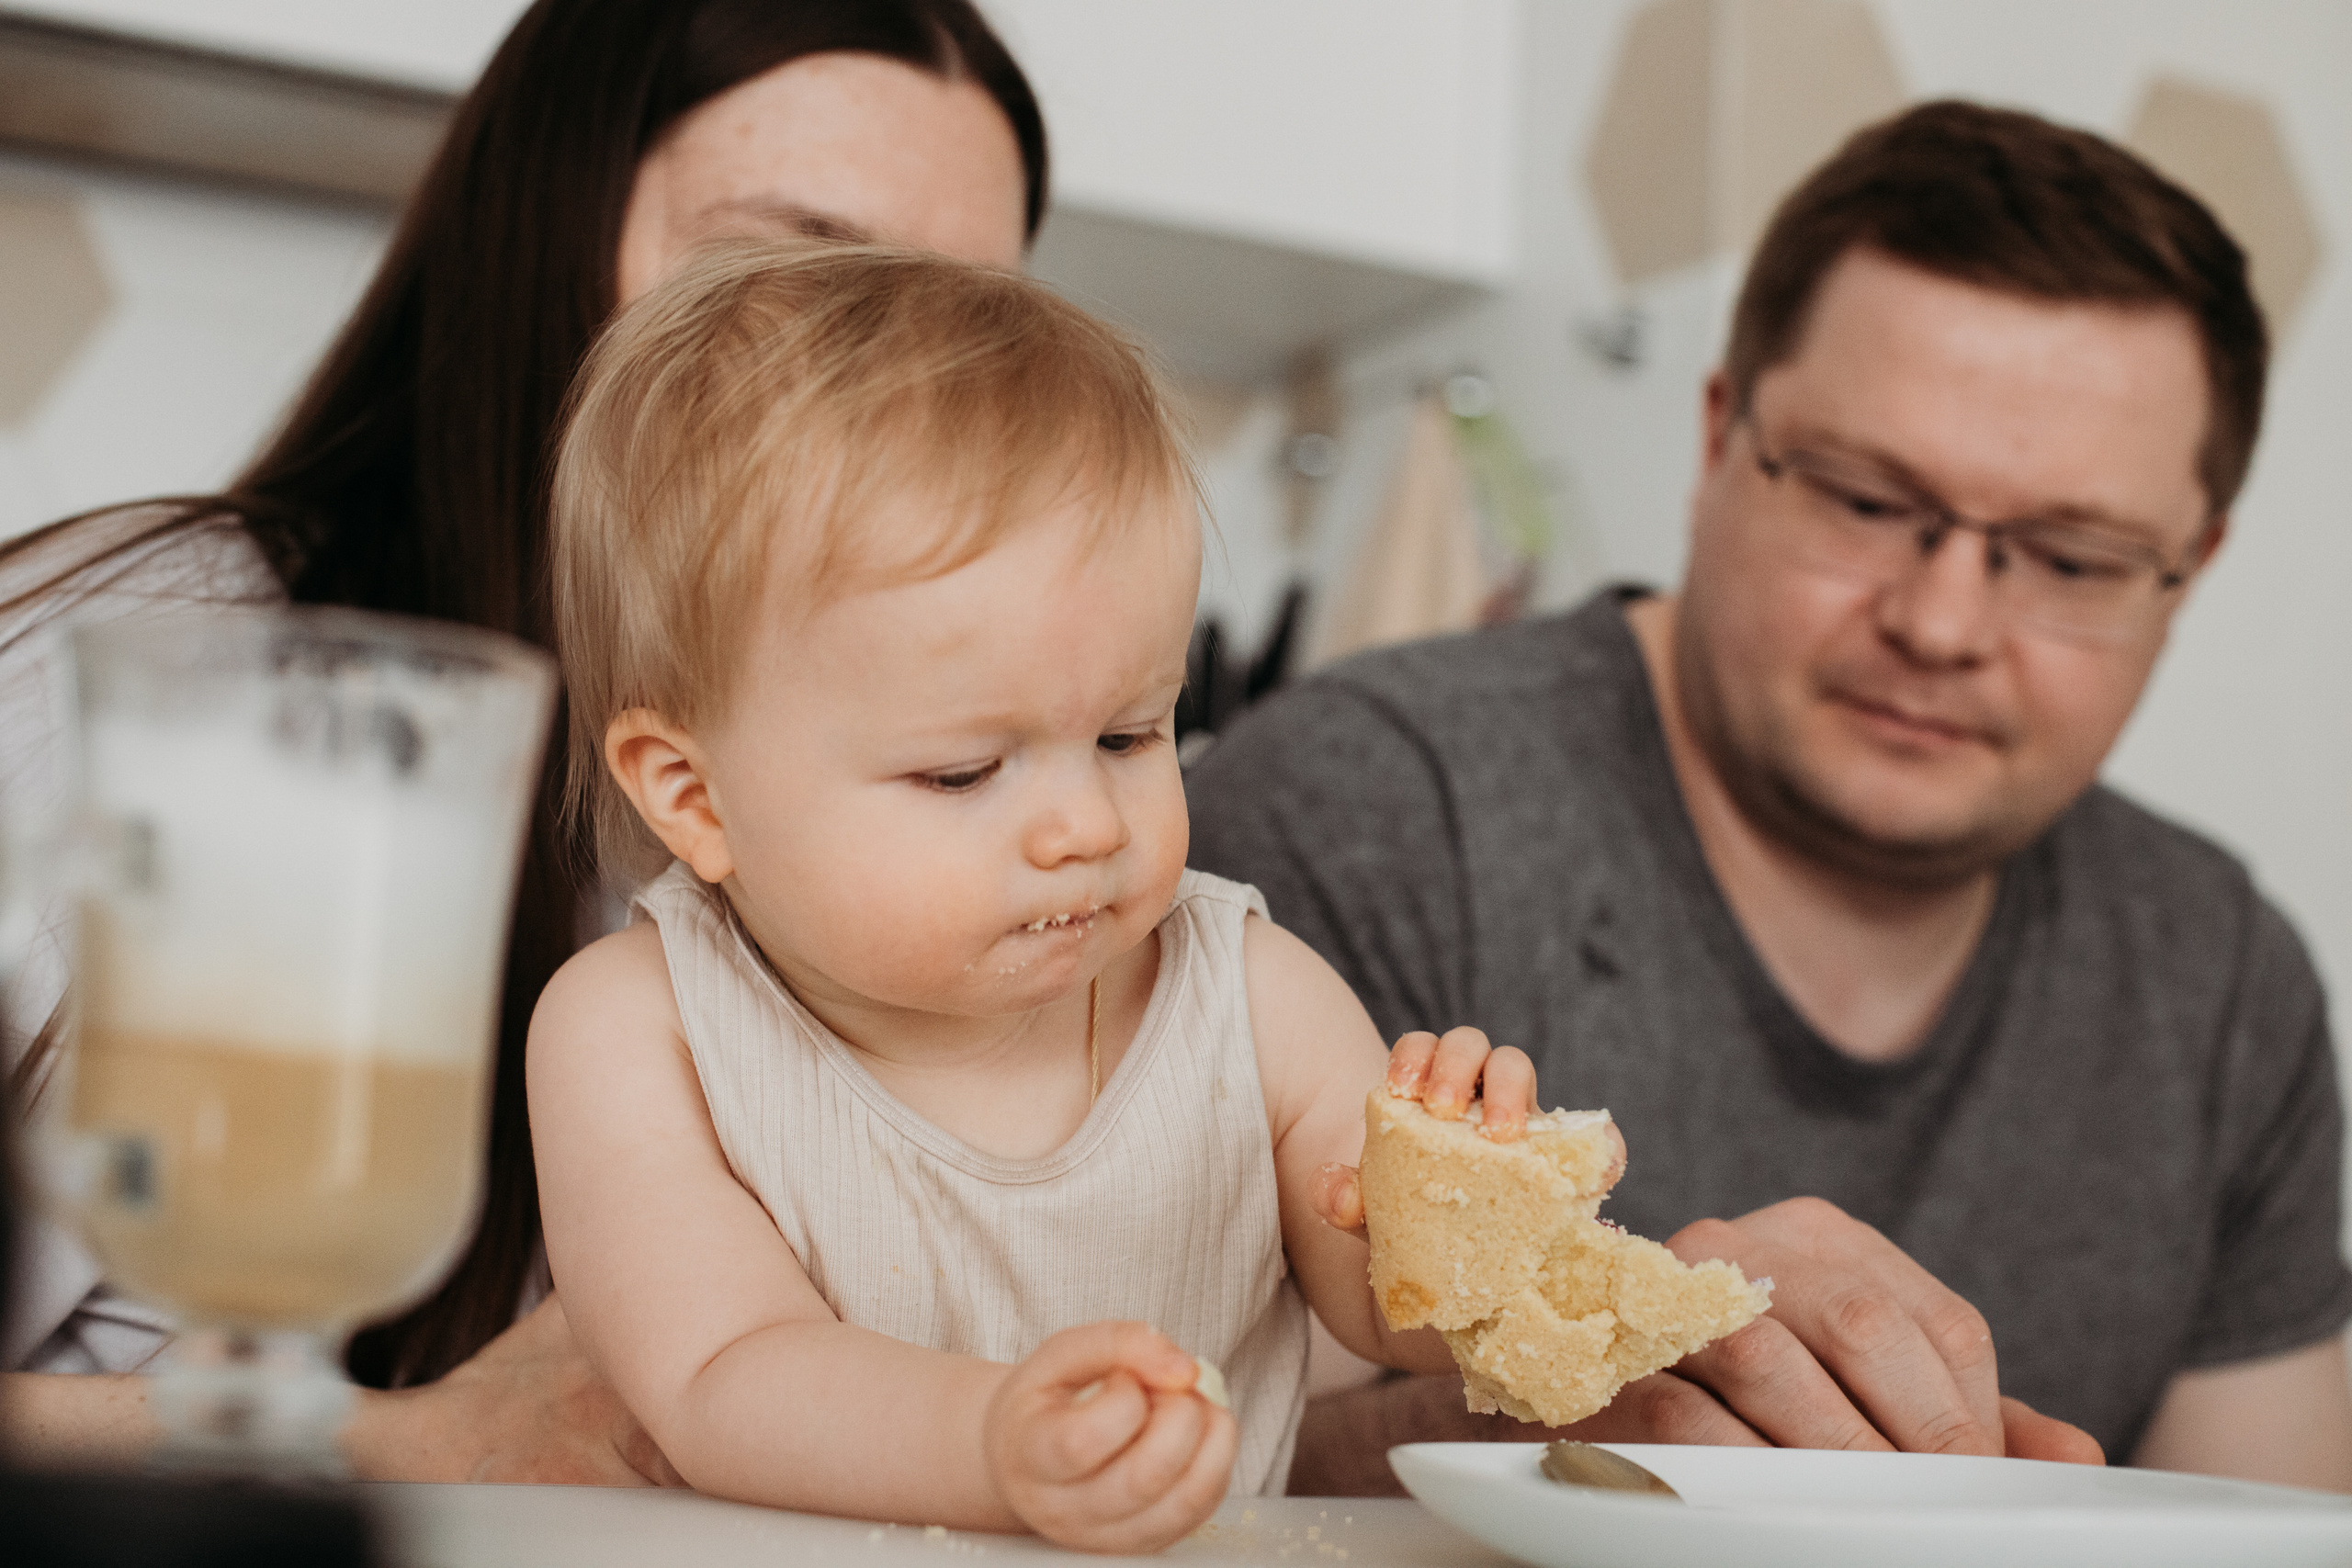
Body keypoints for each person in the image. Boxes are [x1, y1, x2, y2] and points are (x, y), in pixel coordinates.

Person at [1189, 98, 2352, 1494]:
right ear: (1722, 437)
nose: (1942, 622)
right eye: (1865, 499)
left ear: (2193, 566)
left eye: (2071, 558)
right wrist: (1571, 1416)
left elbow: (2264, 1521)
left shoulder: (2221, 977)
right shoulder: (1361, 814)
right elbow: (1141, 1471)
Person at [0, 0, 1045, 1483]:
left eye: (954, 333)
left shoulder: (817, 838)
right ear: (543, 241)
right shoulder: (164, 679)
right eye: (780, 277)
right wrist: (400, 1440)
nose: (879, 404)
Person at [527, 239, 1552, 1551]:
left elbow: (1388, 1313)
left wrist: (1473, 1219)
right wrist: (990, 1445)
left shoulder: (1248, 994)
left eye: (1132, 736)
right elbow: (722, 1374)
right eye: (965, 772)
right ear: (693, 794)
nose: (1084, 825)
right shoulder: (636, 1030)